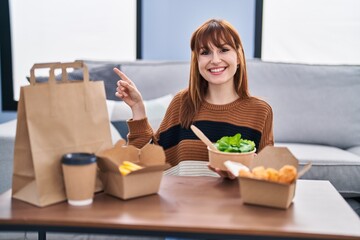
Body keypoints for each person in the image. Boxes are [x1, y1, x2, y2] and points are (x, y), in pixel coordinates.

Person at [113, 19, 274, 178]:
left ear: (238, 57)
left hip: (235, 203)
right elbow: (146, 161)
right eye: (205, 52)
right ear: (197, 61)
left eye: (224, 49)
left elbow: (269, 177)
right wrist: (137, 108)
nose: (215, 60)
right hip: (183, 203)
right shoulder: (182, 103)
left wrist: (247, 170)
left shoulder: (260, 111)